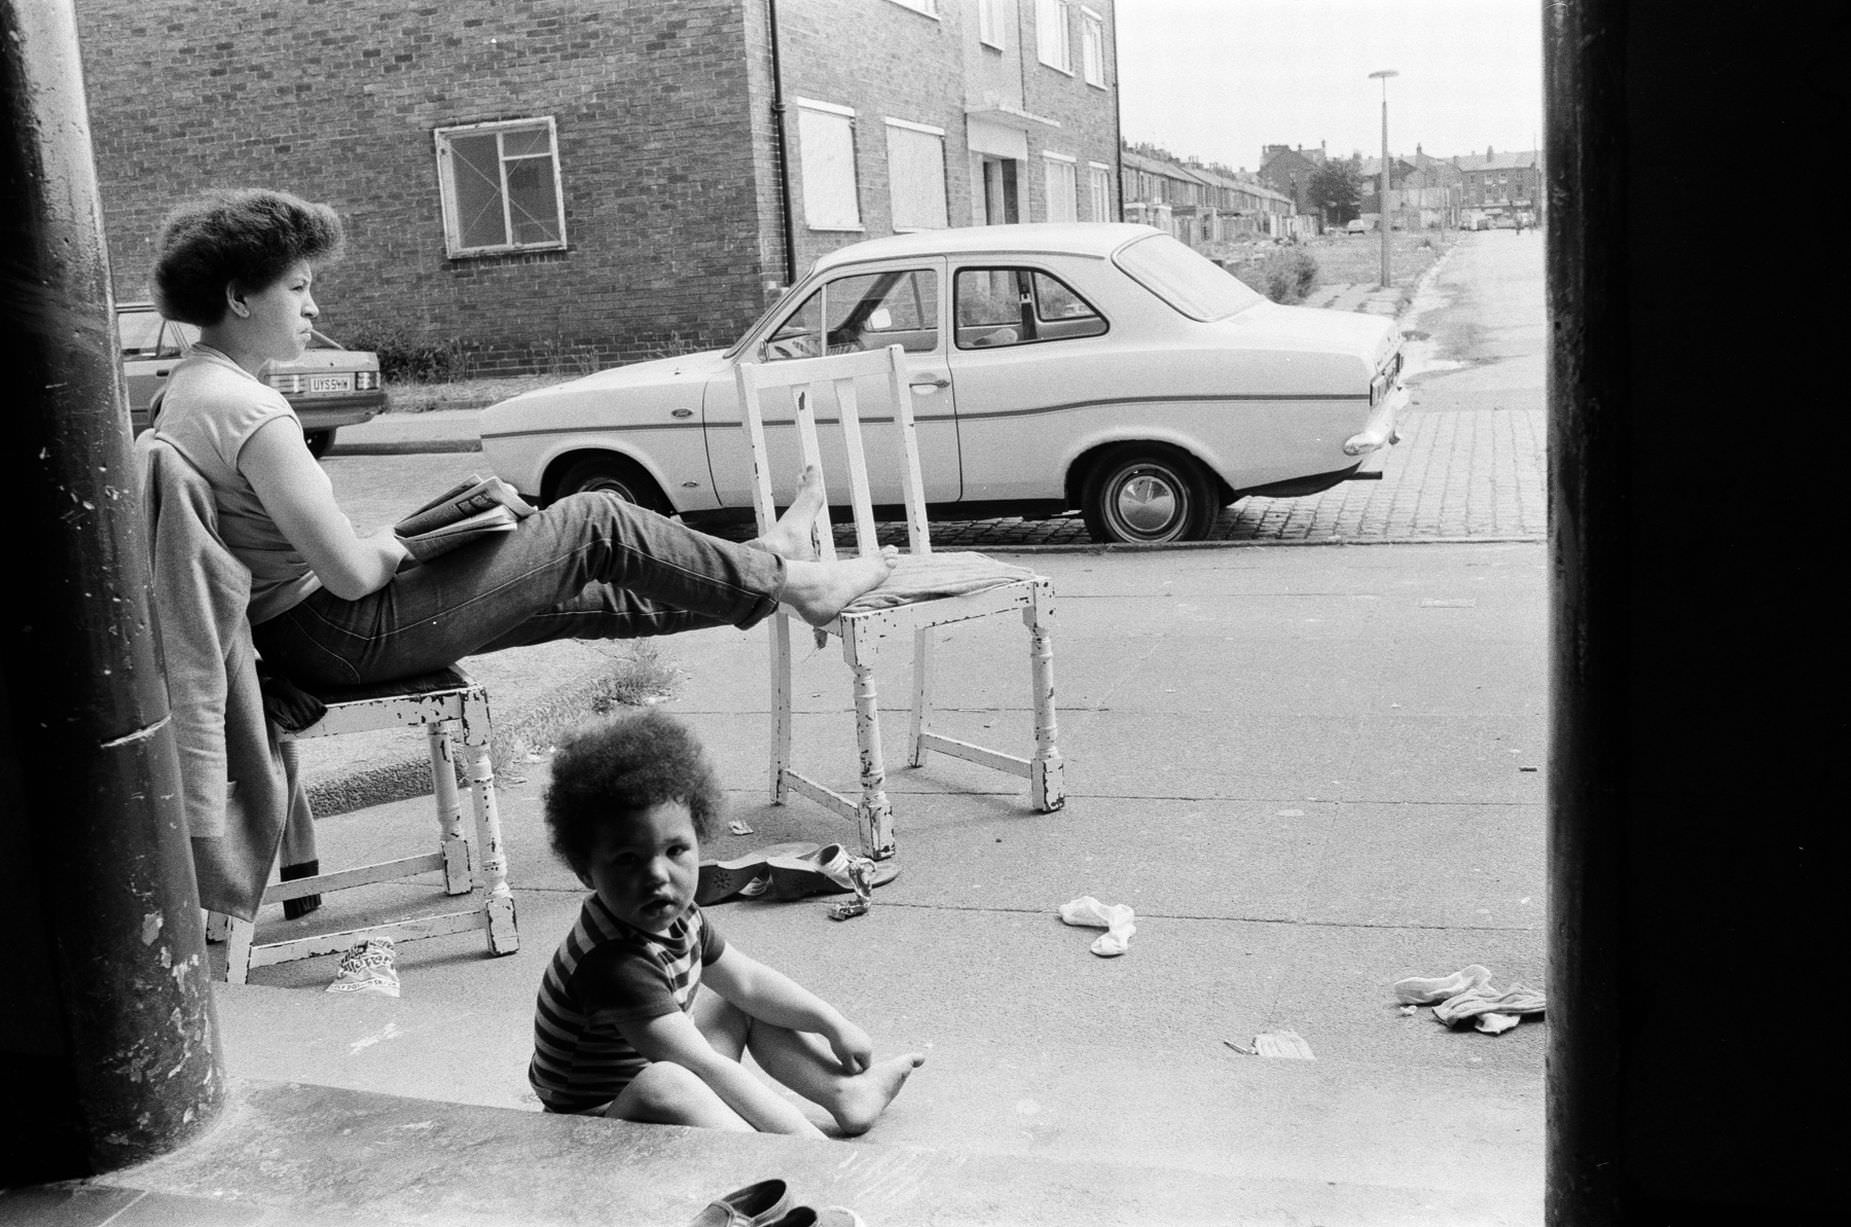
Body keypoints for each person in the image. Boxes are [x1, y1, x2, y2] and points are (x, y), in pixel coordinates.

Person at [146, 188, 894, 690]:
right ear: (239, 297)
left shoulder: (189, 390)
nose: (314, 307)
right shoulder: (254, 412)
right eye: (298, 287)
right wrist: (413, 539)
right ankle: (795, 582)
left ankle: (771, 575)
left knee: (584, 589)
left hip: (307, 635)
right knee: (593, 520)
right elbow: (347, 574)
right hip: (340, 632)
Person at [529, 709, 924, 1135]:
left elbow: (749, 982)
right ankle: (769, 1158)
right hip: (594, 1125)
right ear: (586, 871)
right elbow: (705, 1066)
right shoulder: (611, 963)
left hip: (662, 1077)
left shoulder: (678, 915)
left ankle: (845, 1093)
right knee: (668, 1081)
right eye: (628, 859)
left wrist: (832, 1023)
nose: (658, 875)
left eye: (675, 850)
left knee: (741, 1002)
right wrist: (806, 1146)